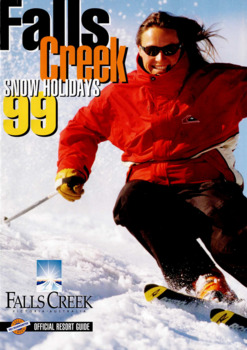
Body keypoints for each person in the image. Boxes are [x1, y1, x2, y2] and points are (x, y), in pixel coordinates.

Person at [55, 11, 247, 302]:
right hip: (152, 190)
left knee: (230, 243)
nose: (160, 58)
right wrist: (72, 168)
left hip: (207, 185)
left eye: (169, 50)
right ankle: (203, 280)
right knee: (132, 200)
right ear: (140, 51)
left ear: (183, 48)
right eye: (152, 51)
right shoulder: (122, 92)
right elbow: (82, 128)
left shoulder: (220, 82)